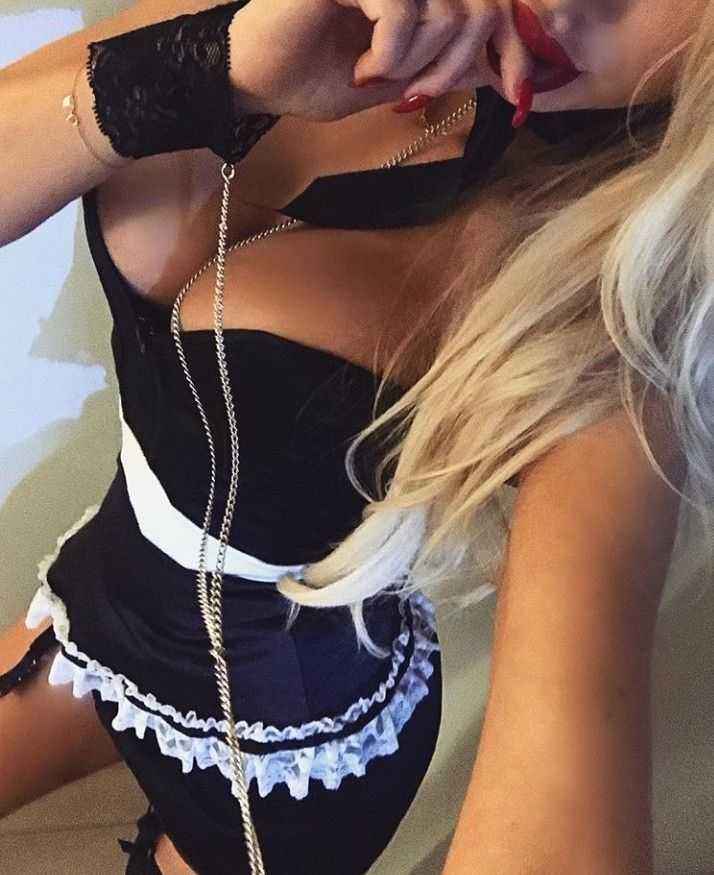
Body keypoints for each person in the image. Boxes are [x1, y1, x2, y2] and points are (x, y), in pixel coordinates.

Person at [0, 1, 710, 873]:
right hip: (111, 594)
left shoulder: (610, 304)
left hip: (298, 753)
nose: (570, 2)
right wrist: (219, 64)